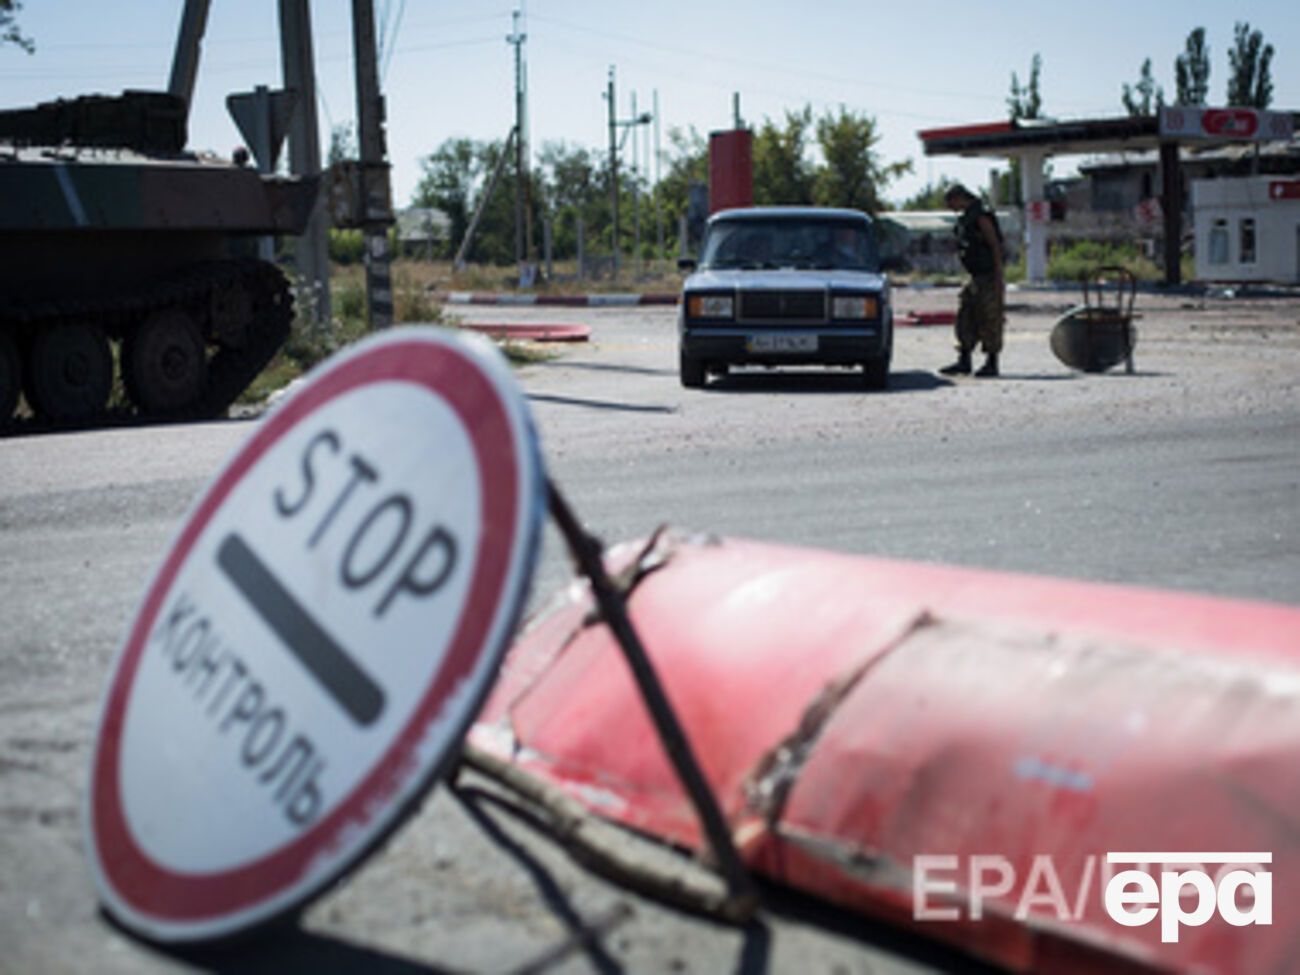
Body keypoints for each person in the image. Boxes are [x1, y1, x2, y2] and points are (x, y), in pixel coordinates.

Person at [939, 184, 1005, 378]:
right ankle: (964, 359)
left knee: (990, 317)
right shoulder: (967, 218)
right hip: (975, 276)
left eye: (951, 201)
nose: (950, 206)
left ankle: (991, 362)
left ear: (960, 198)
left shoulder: (981, 216)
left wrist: (998, 276)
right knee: (965, 315)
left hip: (988, 275)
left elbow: (995, 246)